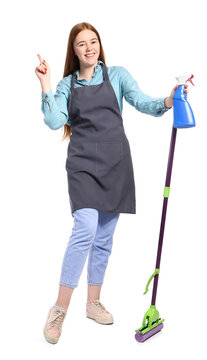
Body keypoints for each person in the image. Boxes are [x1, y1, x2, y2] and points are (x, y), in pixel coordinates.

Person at [35, 22, 188, 344]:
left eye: (93, 42)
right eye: (81, 44)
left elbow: (144, 103)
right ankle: (59, 309)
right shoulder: (66, 85)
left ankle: (92, 302)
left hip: (116, 163)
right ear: (73, 51)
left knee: (104, 236)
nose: (89, 48)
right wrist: (45, 83)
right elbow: (53, 122)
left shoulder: (117, 75)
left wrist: (169, 100)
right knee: (85, 229)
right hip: (82, 166)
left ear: (99, 45)